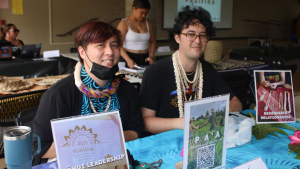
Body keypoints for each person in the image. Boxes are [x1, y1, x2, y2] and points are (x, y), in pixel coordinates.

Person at [33, 21, 144, 165]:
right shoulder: (59, 95)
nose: (110, 52)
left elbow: (137, 132)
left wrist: (101, 142)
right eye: (100, 45)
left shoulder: (127, 90)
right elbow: (39, 148)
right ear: (82, 52)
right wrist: (97, 144)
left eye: (114, 45)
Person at [139, 6, 242, 135]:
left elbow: (236, 104)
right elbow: (145, 122)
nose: (198, 40)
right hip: (165, 145)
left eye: (203, 35)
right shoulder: (155, 72)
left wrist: (212, 114)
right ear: (177, 38)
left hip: (200, 138)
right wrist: (181, 123)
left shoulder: (207, 70)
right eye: (191, 34)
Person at [117, 0, 156, 68]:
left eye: (146, 13)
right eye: (141, 12)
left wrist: (151, 56)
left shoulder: (148, 23)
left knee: (145, 78)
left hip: (145, 58)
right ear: (134, 9)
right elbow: (118, 44)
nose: (143, 15)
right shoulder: (124, 23)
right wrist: (128, 59)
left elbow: (152, 41)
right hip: (128, 57)